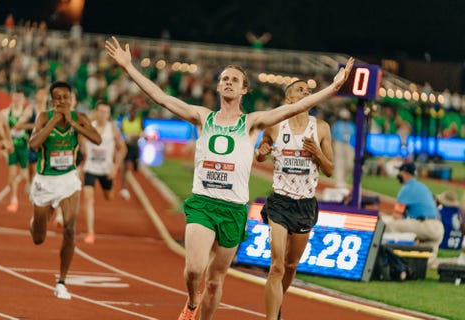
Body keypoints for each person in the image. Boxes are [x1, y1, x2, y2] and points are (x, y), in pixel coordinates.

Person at [105, 36, 353, 320]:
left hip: (234, 209)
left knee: (215, 281)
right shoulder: (203, 117)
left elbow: (294, 108)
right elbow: (161, 97)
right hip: (203, 203)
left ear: (244, 89)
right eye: (224, 78)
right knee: (195, 269)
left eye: (235, 79)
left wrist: (334, 87)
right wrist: (128, 67)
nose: (228, 82)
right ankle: (190, 301)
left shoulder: (251, 123)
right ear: (218, 85)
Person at [255, 80, 334, 320]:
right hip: (280, 201)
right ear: (289, 99)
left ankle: (277, 301)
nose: (307, 93)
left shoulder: (320, 128)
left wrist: (317, 153)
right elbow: (261, 152)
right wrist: (261, 152)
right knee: (277, 265)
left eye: (309, 91)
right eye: (301, 90)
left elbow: (330, 170)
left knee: (291, 265)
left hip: (305, 203)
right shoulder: (275, 126)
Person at [28, 81, 101, 299]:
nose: (61, 101)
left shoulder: (80, 118)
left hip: (69, 180)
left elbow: (96, 139)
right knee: (38, 238)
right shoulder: (43, 117)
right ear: (52, 100)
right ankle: (36, 222)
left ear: (71, 98)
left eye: (65, 97)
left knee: (70, 228)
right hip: (45, 182)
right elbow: (33, 144)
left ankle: (61, 281)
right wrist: (54, 122)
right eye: (57, 98)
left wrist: (73, 123)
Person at [81, 100, 127, 244]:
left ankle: (110, 186)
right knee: (88, 198)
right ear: (96, 112)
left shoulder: (113, 129)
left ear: (109, 114)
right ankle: (90, 232)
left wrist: (115, 167)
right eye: (100, 111)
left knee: (109, 196)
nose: (103, 115)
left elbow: (123, 149)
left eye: (106, 112)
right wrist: (83, 152)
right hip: (90, 168)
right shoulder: (89, 127)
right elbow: (80, 139)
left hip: (106, 169)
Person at [385, 162, 444, 267]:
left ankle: (392, 259)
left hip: (426, 226)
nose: (398, 174)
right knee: (428, 263)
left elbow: (396, 217)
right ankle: (457, 263)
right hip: (439, 227)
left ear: (406, 173)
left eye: (400, 172)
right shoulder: (422, 186)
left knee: (391, 226)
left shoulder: (406, 189)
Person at [3, 89, 31, 213]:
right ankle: (14, 200)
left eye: (20, 97)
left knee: (25, 173)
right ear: (13, 98)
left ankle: (31, 186)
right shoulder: (7, 112)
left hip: (24, 148)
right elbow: (3, 129)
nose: (18, 99)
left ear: (23, 99)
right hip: (12, 148)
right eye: (16, 96)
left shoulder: (27, 112)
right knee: (12, 175)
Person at [119, 103, 143, 200]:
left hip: (135, 147)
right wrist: (125, 138)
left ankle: (136, 186)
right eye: (131, 111)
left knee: (136, 168)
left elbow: (142, 133)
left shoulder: (139, 121)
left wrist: (136, 136)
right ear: (129, 112)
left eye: (134, 111)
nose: (132, 113)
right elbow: (120, 133)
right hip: (127, 146)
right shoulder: (124, 122)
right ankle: (124, 188)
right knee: (126, 167)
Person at [331, 108, 355, 188]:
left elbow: (354, 136)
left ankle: (344, 179)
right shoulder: (337, 124)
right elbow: (333, 137)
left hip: (349, 145)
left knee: (349, 163)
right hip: (339, 143)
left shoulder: (352, 125)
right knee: (339, 162)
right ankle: (339, 181)